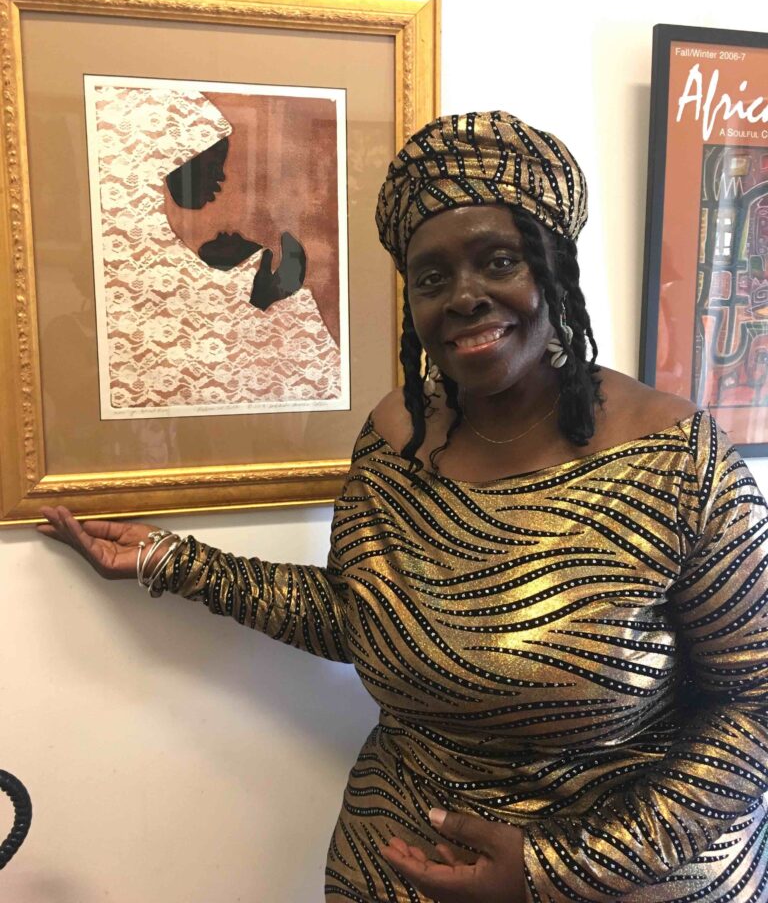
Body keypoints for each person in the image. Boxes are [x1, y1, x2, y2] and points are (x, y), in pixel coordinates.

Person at [39, 111, 768, 903]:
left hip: (625, 877)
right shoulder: (395, 439)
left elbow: (755, 707)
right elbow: (363, 620)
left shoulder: (677, 460)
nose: (463, 297)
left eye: (499, 261)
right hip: (395, 861)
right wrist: (166, 560)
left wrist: (557, 871)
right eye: (431, 277)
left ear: (555, 270)